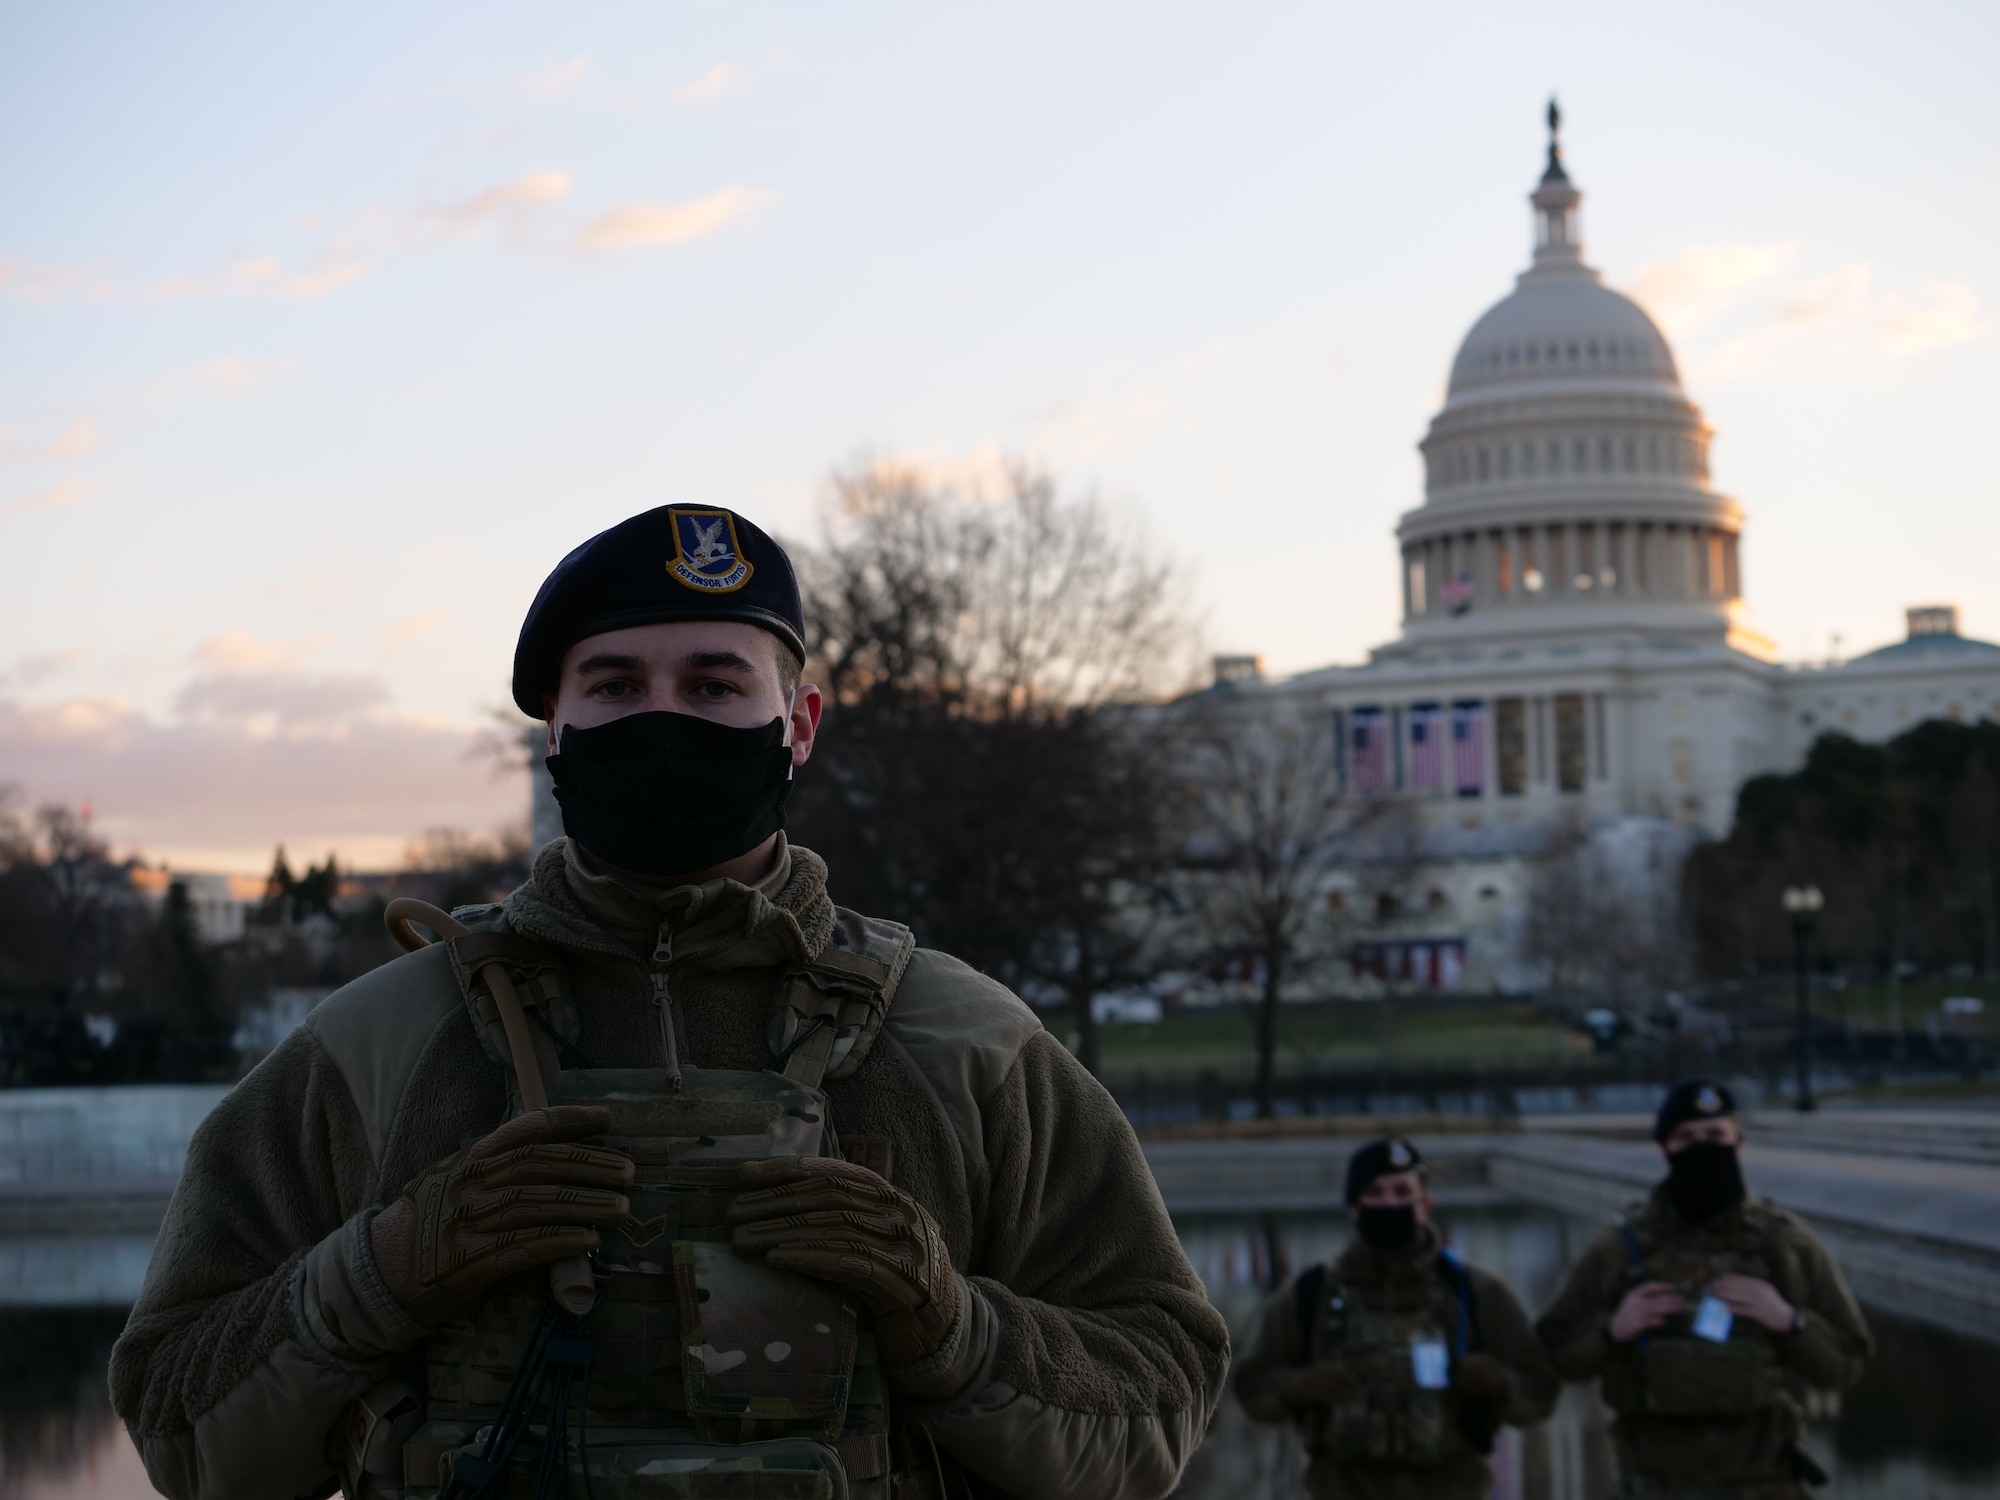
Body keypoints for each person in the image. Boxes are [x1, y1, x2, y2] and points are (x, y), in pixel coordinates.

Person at [110, 505, 1229, 1500]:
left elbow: (1156, 1403)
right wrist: (379, 1273)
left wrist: (947, 1324)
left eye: (710, 684)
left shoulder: (964, 1042)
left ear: (796, 724)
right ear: (554, 730)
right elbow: (178, 1425)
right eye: (613, 686)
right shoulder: (380, 1043)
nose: (663, 718)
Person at [1536, 1077, 1873, 1499]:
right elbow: (1552, 1354)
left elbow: (1847, 1364)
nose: (1702, 1147)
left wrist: (1788, 1321)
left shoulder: (1783, 1244)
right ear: (1664, 1146)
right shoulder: (1620, 1250)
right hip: (1652, 1489)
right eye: (1687, 1137)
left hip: (1764, 1489)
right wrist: (1611, 1331)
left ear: (1739, 1141)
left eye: (1715, 1135)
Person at [1232, 1137, 1559, 1498]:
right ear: (1355, 1207)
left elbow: (1540, 1386)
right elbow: (1252, 1384)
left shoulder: (1476, 1291)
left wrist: (1499, 1383)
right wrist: (1295, 1386)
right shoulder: (1310, 1294)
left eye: (1402, 1192)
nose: (1390, 1203)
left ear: (1424, 1206)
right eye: (1376, 1192)